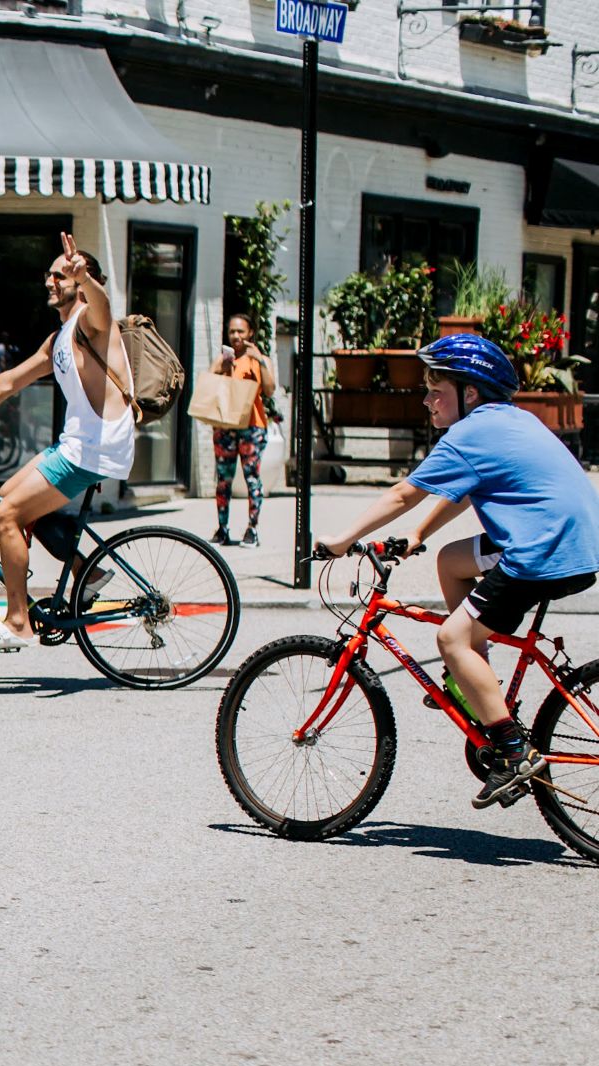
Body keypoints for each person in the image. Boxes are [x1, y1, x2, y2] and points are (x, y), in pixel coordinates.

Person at [319, 335, 599, 808]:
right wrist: (419, 535)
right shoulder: (509, 421)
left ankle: (513, 750)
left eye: (435, 387)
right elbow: (465, 489)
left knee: (451, 638)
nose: (426, 398)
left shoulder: (470, 433)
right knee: (451, 561)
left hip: (540, 549)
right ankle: (475, 683)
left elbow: (403, 494)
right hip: (570, 540)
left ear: (470, 393)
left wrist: (342, 539)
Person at [0, 232, 134, 652]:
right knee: (10, 497)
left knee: (5, 516)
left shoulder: (92, 321)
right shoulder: (58, 339)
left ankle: (18, 621)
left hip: (94, 446)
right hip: (75, 442)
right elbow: (9, 382)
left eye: (61, 275)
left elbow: (105, 308)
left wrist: (86, 279)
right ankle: (86, 572)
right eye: (49, 275)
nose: (51, 281)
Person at [208, 313, 276, 547]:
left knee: (252, 478)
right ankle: (222, 528)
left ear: (250, 334)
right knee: (223, 479)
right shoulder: (222, 359)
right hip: (226, 426)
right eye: (232, 332)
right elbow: (209, 386)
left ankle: (252, 529)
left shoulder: (259, 359)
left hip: (252, 427)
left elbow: (269, 389)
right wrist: (222, 369)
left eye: (241, 332)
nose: (236, 336)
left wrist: (261, 360)